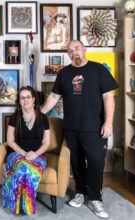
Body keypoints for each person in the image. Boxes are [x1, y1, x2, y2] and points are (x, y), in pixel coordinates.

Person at [41, 40, 118, 219]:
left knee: (96, 163)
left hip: (94, 127)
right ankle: (80, 193)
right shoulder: (64, 73)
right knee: (76, 163)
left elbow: (108, 98)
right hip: (71, 127)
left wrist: (108, 122)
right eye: (69, 50)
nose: (73, 52)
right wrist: (39, 114)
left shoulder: (99, 70)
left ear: (84, 49)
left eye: (76, 48)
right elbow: (54, 96)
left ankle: (95, 198)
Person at [2, 86, 50, 215]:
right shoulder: (14, 117)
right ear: (19, 101)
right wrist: (24, 153)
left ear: (34, 99)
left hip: (38, 155)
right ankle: (22, 206)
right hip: (16, 154)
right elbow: (10, 141)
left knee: (28, 169)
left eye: (28, 97)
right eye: (22, 97)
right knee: (23, 166)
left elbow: (46, 142)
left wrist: (35, 154)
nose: (25, 100)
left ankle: (24, 205)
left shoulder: (43, 118)